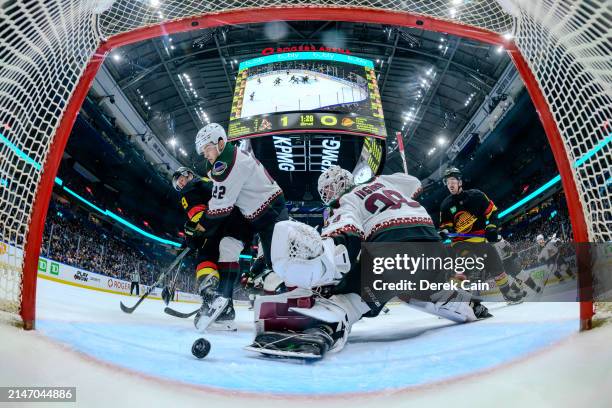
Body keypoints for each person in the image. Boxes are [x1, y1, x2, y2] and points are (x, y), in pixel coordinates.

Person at [246, 166, 490, 359]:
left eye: (328, 191)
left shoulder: (345, 201)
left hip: (395, 246)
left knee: (350, 296)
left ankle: (325, 326)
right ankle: (467, 305)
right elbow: (414, 184)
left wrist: (325, 273)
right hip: (432, 243)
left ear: (336, 187)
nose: (328, 196)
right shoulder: (383, 181)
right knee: (420, 290)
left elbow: (347, 237)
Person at [191, 123, 288, 331]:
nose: (205, 155)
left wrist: (199, 229)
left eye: (207, 149)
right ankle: (224, 304)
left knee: (278, 264)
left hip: (270, 211)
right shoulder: (222, 159)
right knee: (227, 246)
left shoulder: (231, 164)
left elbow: (220, 208)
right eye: (202, 151)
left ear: (220, 142)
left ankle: (295, 307)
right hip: (248, 213)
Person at [170, 166, 253, 331]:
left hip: (219, 224)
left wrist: (192, 237)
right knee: (226, 260)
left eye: (180, 178)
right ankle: (226, 310)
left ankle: (210, 296)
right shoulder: (211, 180)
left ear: (189, 174)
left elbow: (198, 217)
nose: (181, 183)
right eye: (178, 183)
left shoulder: (190, 187)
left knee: (205, 255)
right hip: (242, 223)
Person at [439, 167, 526, 304]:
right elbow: (446, 226)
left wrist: (491, 227)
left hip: (481, 241)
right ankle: (453, 299)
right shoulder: (446, 205)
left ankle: (507, 293)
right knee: (470, 263)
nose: (450, 184)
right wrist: (445, 232)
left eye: (453, 180)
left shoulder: (477, 196)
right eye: (447, 181)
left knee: (497, 265)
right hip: (461, 243)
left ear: (460, 181)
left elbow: (493, 213)